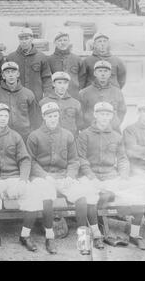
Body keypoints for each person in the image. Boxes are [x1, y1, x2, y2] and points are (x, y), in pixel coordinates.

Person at [26, 102, 102, 255]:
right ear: (43, 117)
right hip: (43, 177)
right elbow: (30, 161)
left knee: (81, 196)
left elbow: (74, 160)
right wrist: (45, 176)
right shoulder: (34, 136)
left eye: (55, 116)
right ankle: (49, 237)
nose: (53, 119)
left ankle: (83, 239)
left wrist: (70, 176)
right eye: (49, 116)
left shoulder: (67, 135)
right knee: (47, 196)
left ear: (58, 116)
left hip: (63, 176)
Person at [77, 102, 145, 250]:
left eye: (107, 114)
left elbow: (122, 159)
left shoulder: (116, 136)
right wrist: (92, 177)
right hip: (91, 176)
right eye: (101, 114)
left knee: (139, 195)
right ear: (95, 115)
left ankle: (134, 235)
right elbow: (81, 159)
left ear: (111, 116)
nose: (104, 117)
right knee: (88, 198)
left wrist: (123, 176)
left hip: (111, 176)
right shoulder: (85, 135)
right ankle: (97, 235)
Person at [0, 103, 45, 253]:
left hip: (13, 177)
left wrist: (22, 180)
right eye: (0, 115)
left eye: (6, 115)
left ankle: (25, 235)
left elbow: (25, 160)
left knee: (33, 194)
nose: (3, 118)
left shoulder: (15, 135)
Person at [123, 99, 145, 246]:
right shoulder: (130, 129)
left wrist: (144, 152)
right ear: (139, 112)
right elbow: (132, 152)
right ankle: (134, 234)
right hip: (136, 170)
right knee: (143, 188)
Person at [0, 61, 39, 141]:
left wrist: (32, 135)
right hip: (2, 136)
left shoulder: (28, 94)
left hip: (24, 136)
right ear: (3, 76)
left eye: (13, 72)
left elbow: (35, 118)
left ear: (18, 74)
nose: (11, 75)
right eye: (7, 72)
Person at [6, 27, 52, 111]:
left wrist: (47, 96)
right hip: (17, 97)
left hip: (36, 97)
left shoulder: (41, 57)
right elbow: (6, 79)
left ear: (32, 39)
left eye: (26, 38)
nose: (24, 41)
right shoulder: (11, 57)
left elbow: (47, 78)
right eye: (21, 39)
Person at [79, 60, 126, 132]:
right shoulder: (84, 92)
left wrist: (115, 124)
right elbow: (80, 113)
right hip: (91, 131)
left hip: (112, 130)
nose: (103, 74)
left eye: (105, 71)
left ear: (110, 73)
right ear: (95, 73)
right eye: (100, 71)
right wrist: (86, 127)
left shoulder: (117, 92)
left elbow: (122, 111)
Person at [39, 72, 83, 138]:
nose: (62, 86)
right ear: (53, 84)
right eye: (59, 83)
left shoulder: (75, 103)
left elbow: (80, 124)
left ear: (68, 84)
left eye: (65, 83)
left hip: (70, 140)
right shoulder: (44, 102)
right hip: (50, 139)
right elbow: (39, 124)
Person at [47, 31, 85, 99]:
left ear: (69, 41)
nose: (63, 43)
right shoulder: (49, 60)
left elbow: (82, 77)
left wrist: (79, 89)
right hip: (56, 95)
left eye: (65, 40)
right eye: (59, 40)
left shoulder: (77, 59)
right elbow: (47, 79)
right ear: (55, 43)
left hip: (74, 94)